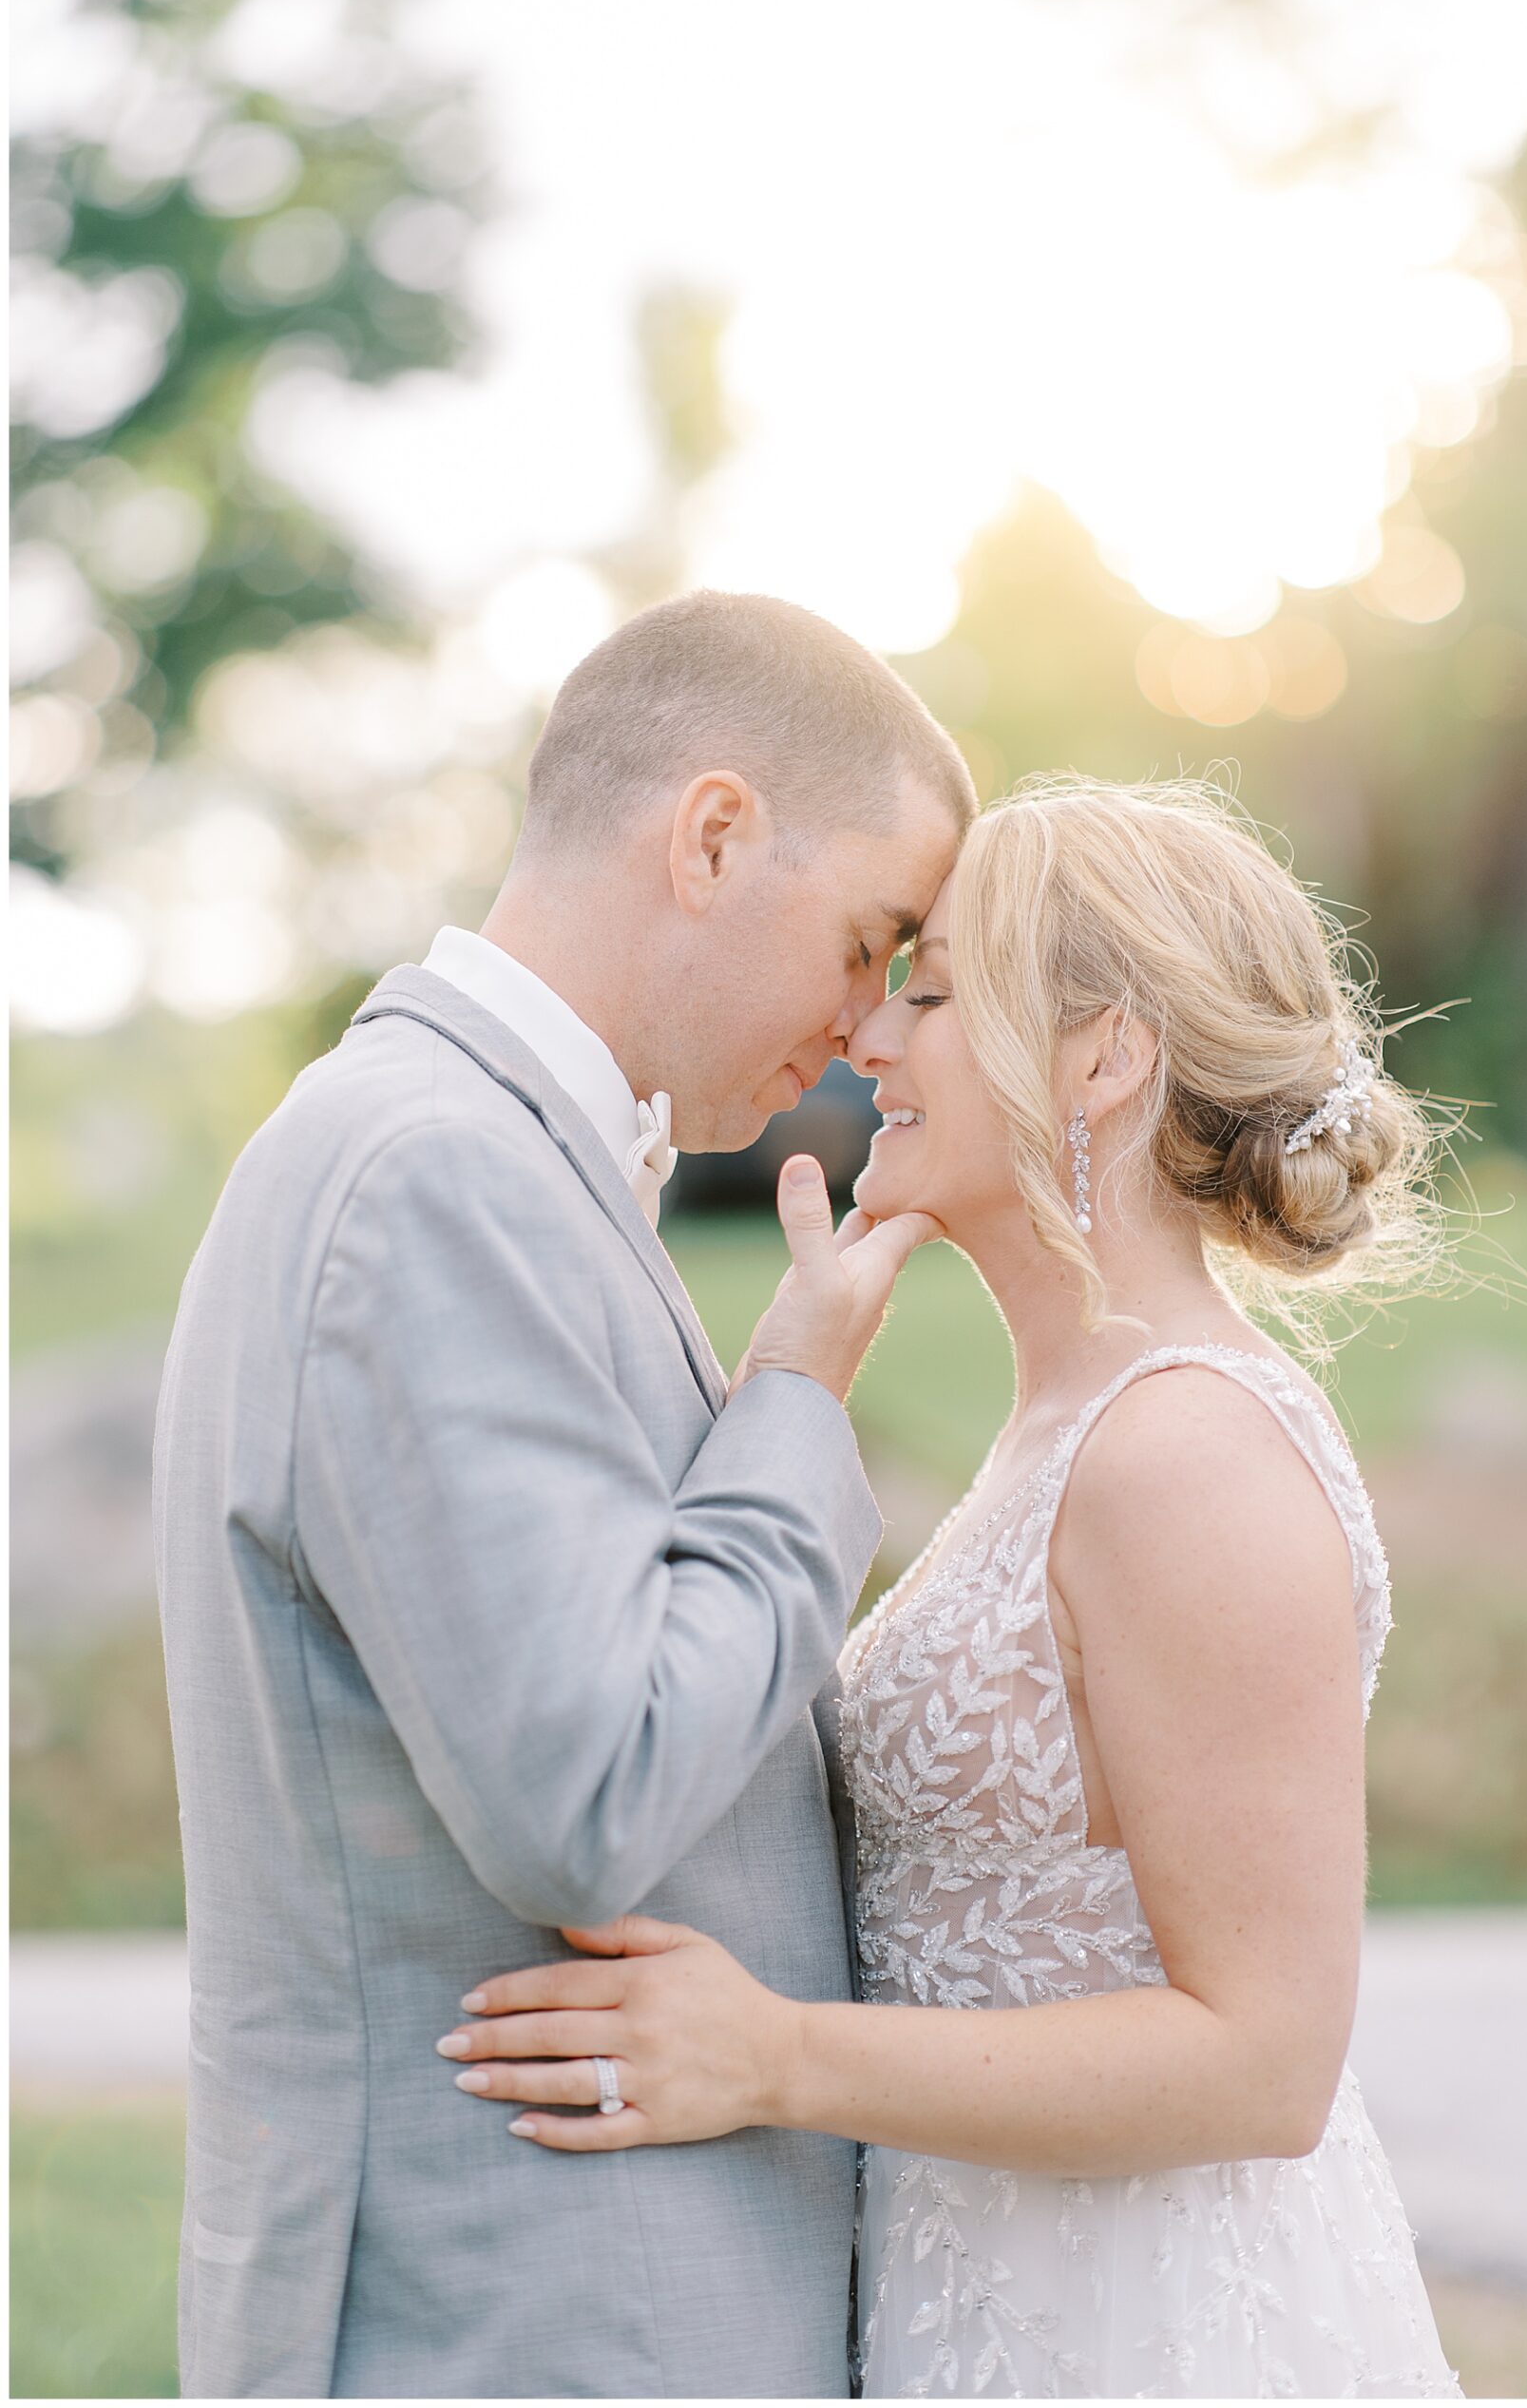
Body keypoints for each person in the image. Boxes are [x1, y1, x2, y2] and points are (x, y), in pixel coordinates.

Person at [445, 775, 1464, 2399]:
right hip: (974, 2300)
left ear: (1102, 1055)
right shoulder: (1057, 1430)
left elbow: (1263, 2062)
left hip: (1147, 2333)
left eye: (925, 995)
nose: (866, 1041)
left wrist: (769, 2056)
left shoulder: (1184, 1453)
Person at [153, 589, 972, 2398]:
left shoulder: (483, 1161)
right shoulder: (438, 1179)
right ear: (710, 836)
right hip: (530, 2327)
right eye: (867, 939)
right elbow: (587, 1793)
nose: (859, 1028)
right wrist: (790, 1406)